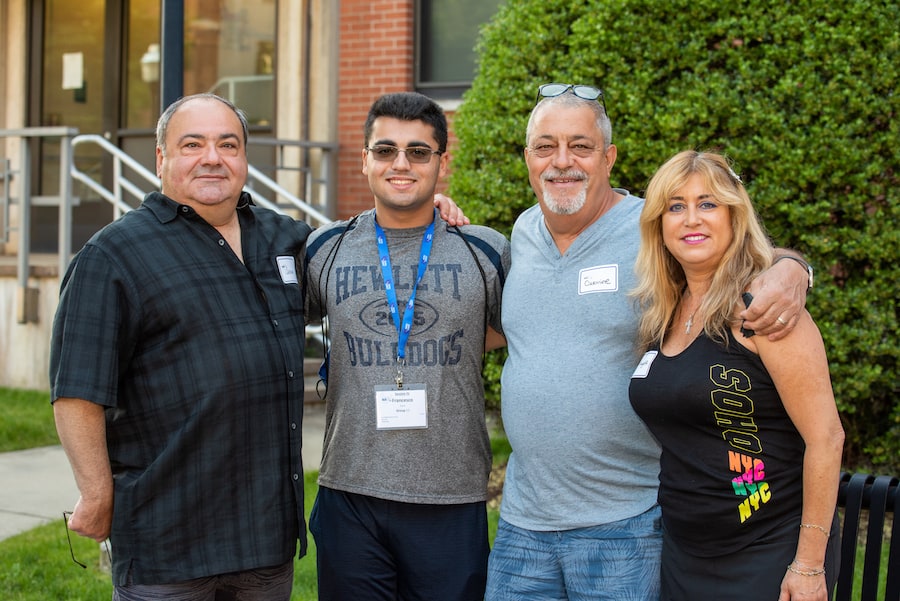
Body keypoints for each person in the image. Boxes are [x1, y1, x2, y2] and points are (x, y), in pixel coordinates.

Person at [484, 84, 813, 600]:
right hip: (523, 525)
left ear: (609, 157)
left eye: (581, 146)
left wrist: (794, 269)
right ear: (528, 158)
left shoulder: (650, 227)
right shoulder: (523, 232)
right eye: (545, 146)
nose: (561, 162)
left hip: (626, 525)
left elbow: (729, 249)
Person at [49, 93, 312, 599]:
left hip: (266, 537)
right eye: (193, 144)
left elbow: (361, 257)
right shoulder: (113, 255)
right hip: (168, 543)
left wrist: (423, 214)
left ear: (244, 158)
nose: (212, 157)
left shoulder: (284, 240)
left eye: (227, 144)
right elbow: (77, 391)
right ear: (162, 158)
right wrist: (96, 492)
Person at [303, 91, 510, 601]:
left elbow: (520, 329)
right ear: (365, 159)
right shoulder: (323, 248)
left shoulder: (486, 249)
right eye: (386, 150)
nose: (402, 164)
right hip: (349, 491)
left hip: (451, 493)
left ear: (442, 160)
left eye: (419, 152)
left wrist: (450, 342)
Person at [628, 150, 843, 600]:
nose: (692, 219)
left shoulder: (765, 311)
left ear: (734, 216)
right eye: (676, 206)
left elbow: (826, 438)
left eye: (708, 204)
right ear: (659, 225)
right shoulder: (661, 316)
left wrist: (807, 566)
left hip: (769, 547)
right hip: (685, 550)